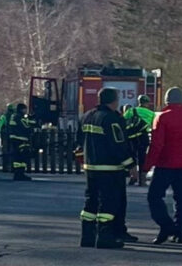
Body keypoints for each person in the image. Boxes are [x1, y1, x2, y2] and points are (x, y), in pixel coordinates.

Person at [77, 88, 138, 249]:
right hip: (110, 169)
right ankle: (105, 237)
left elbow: (79, 142)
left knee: (91, 202)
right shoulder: (112, 119)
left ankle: (87, 237)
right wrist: (131, 165)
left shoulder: (87, 116)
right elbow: (119, 145)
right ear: (114, 100)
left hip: (91, 168)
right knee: (108, 203)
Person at [143, 87, 182, 244]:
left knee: (154, 197)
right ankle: (180, 231)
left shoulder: (162, 118)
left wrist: (146, 166)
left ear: (166, 101)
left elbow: (157, 144)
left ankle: (166, 225)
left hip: (165, 164)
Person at [124, 95, 155, 186]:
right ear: (147, 103)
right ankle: (142, 179)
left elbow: (123, 121)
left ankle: (133, 176)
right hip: (143, 137)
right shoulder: (151, 113)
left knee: (132, 157)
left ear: (139, 102)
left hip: (131, 137)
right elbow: (153, 126)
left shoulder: (131, 110)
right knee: (142, 158)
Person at [9, 104, 36, 181]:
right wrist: (33, 126)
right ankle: (20, 174)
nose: (25, 111)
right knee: (22, 156)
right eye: (25, 109)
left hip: (15, 138)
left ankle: (18, 174)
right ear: (21, 109)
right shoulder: (19, 117)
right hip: (20, 139)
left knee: (18, 157)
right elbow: (26, 126)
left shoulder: (14, 116)